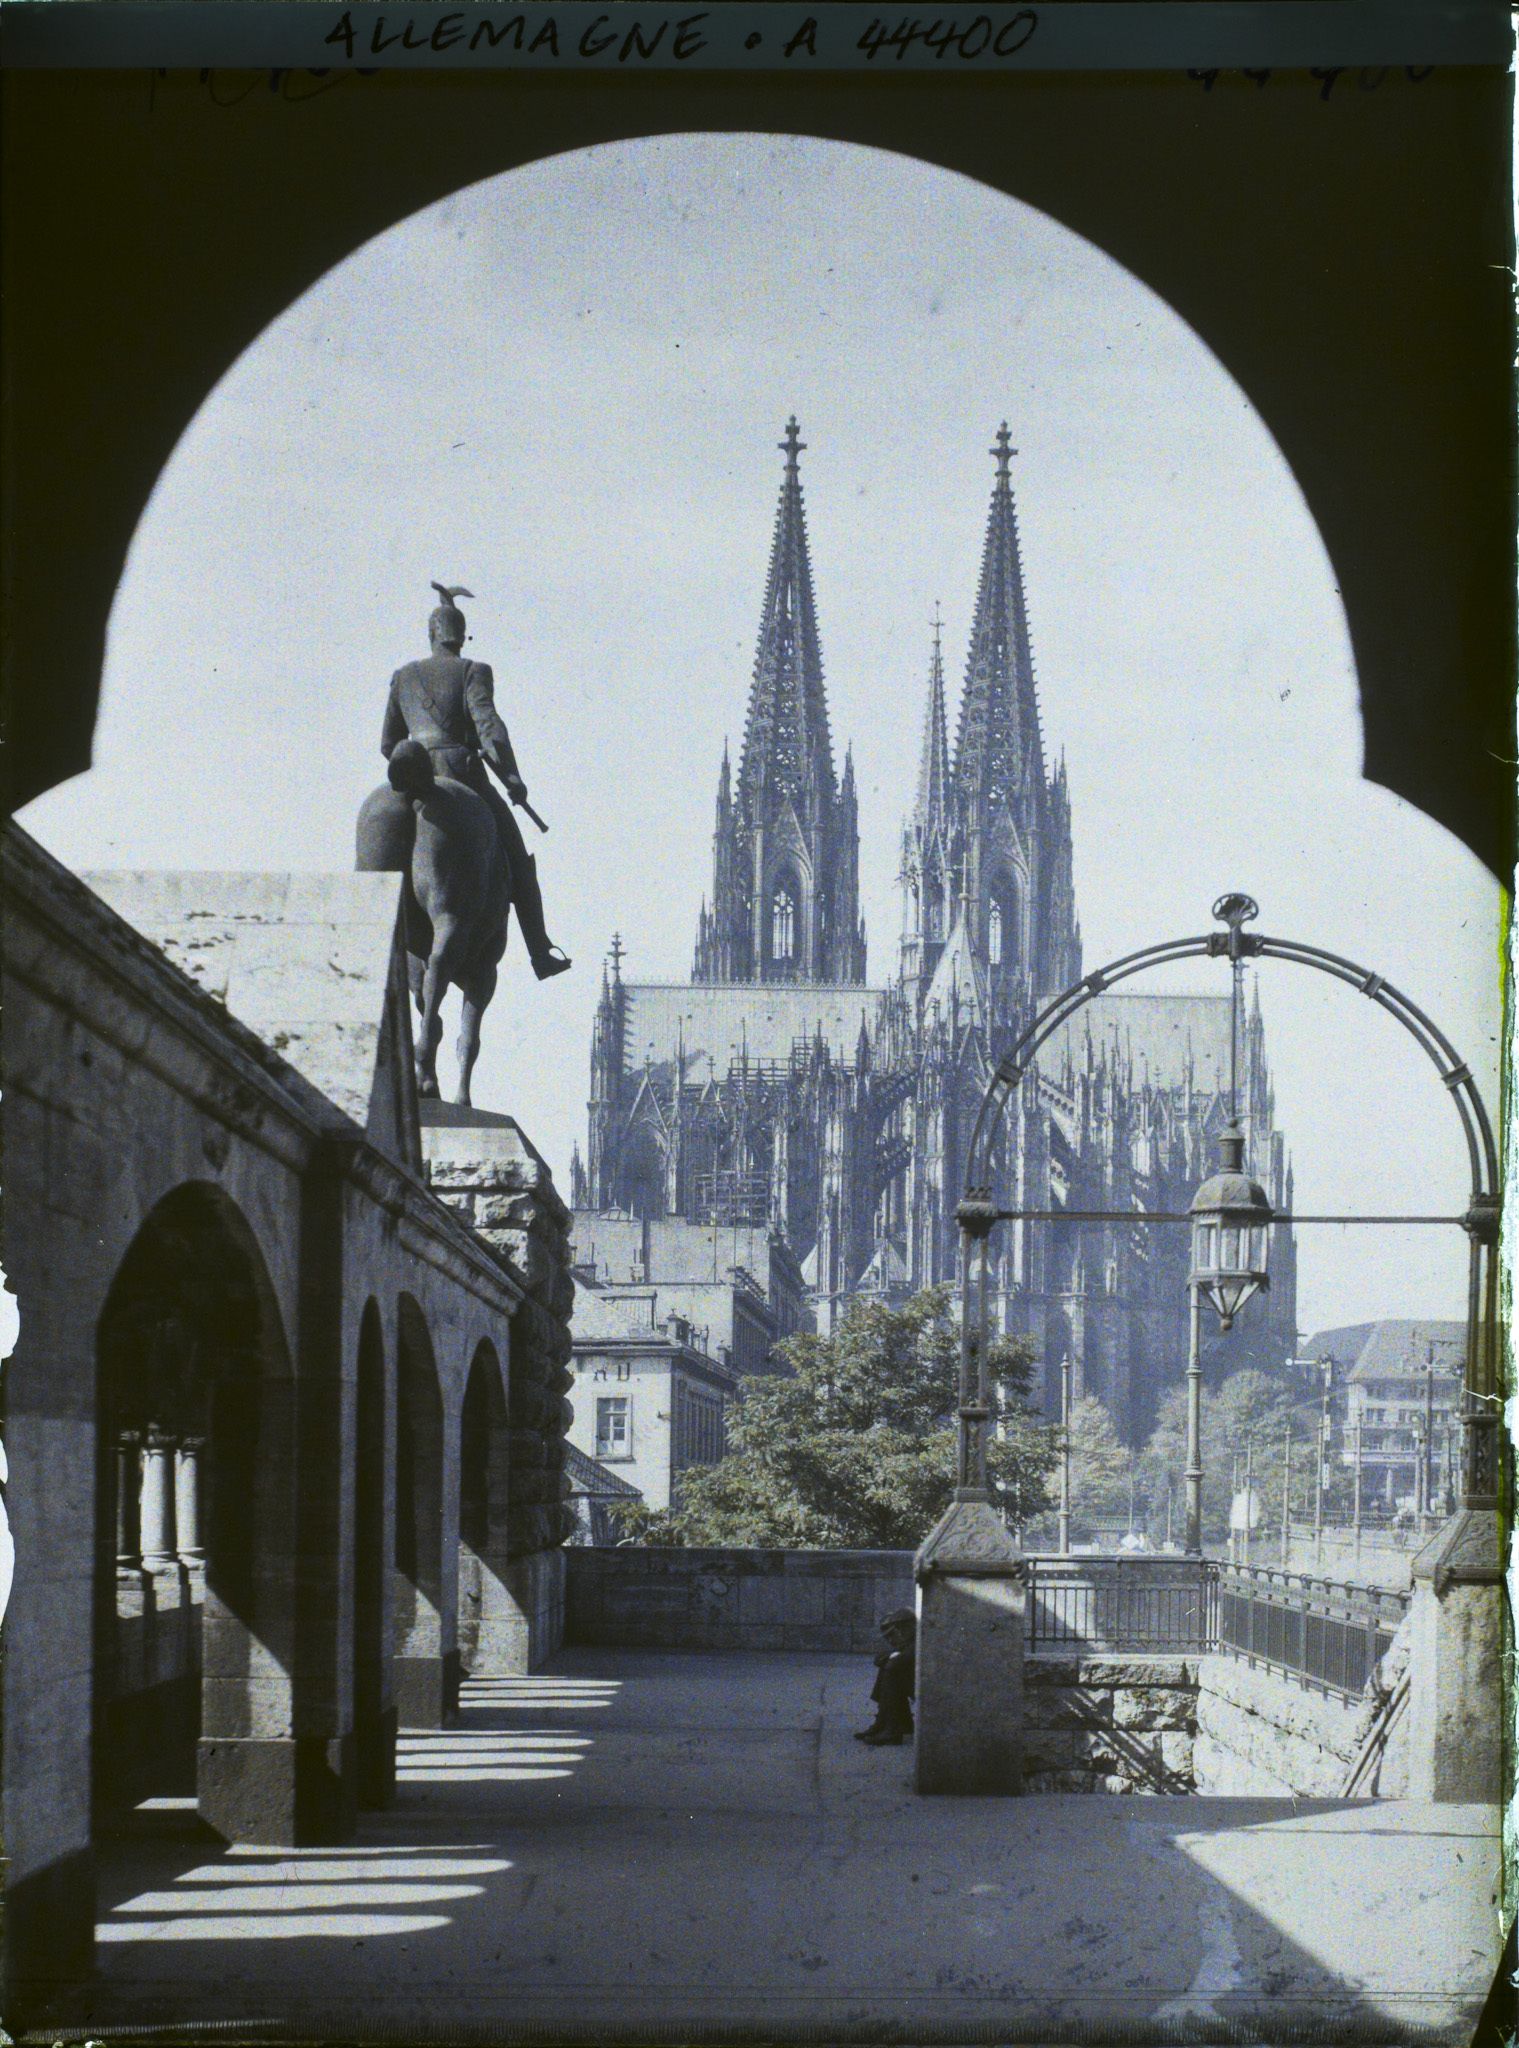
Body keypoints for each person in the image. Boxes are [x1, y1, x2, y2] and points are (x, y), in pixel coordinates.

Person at [381, 583, 571, 980]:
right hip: (461, 773)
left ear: (431, 634)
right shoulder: (473, 671)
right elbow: (489, 726)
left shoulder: (403, 677)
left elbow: (388, 743)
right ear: (461, 636)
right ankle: (541, 952)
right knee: (519, 861)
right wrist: (512, 776)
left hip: (410, 776)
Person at [855, 1607, 916, 1745]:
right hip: (915, 1682)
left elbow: (894, 1662)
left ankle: (891, 1727)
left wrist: (890, 1659)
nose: (900, 1633)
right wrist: (890, 1658)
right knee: (888, 1670)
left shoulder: (918, 1641)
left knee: (891, 1672)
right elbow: (880, 1658)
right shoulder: (909, 1640)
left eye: (901, 1628)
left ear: (911, 1626)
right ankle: (885, 1723)